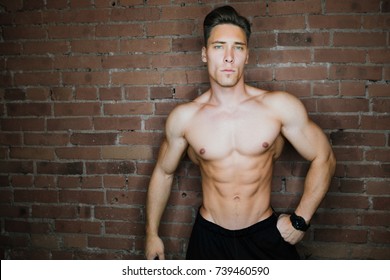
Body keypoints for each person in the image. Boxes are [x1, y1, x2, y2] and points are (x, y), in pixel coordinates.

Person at [145, 5, 336, 260]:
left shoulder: (277, 107)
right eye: (218, 46)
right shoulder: (185, 118)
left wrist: (301, 220)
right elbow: (163, 173)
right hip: (209, 238)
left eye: (238, 47)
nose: (228, 57)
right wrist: (152, 234)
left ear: (247, 55)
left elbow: (324, 157)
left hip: (265, 234)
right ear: (204, 54)